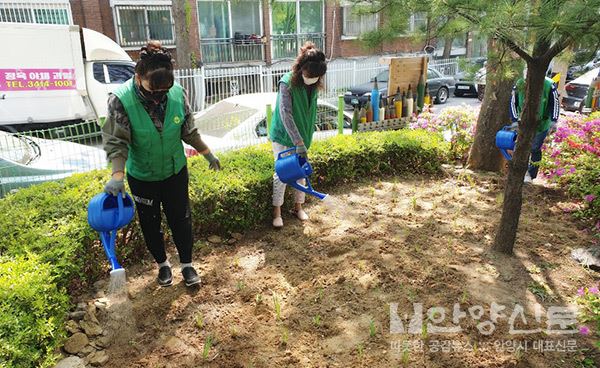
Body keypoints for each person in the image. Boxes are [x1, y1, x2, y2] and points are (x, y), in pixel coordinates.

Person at [102, 41, 220, 287]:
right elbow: (117, 142)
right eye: (152, 90)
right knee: (150, 222)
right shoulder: (120, 100)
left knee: (181, 218)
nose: (158, 97)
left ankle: (187, 265)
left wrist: (207, 153)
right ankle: (163, 265)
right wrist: (117, 174)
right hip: (143, 176)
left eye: (163, 90)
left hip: (175, 171)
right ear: (138, 76)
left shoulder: (177, 93)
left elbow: (188, 131)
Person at [269, 42, 327, 228]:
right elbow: (286, 114)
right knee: (282, 173)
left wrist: (307, 136)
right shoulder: (286, 83)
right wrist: (298, 141)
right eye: (310, 76)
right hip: (284, 136)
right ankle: (277, 213)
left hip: (303, 136)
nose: (313, 79)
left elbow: (309, 112)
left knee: (300, 171)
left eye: (316, 77)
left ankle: (298, 207)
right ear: (301, 69)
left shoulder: (313, 85)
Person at [509, 67, 559, 183]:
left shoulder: (549, 84)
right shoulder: (520, 83)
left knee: (535, 148)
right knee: (520, 146)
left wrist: (554, 121)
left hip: (542, 123)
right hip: (523, 122)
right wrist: (514, 119)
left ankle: (531, 175)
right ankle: (519, 173)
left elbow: (555, 103)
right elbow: (513, 102)